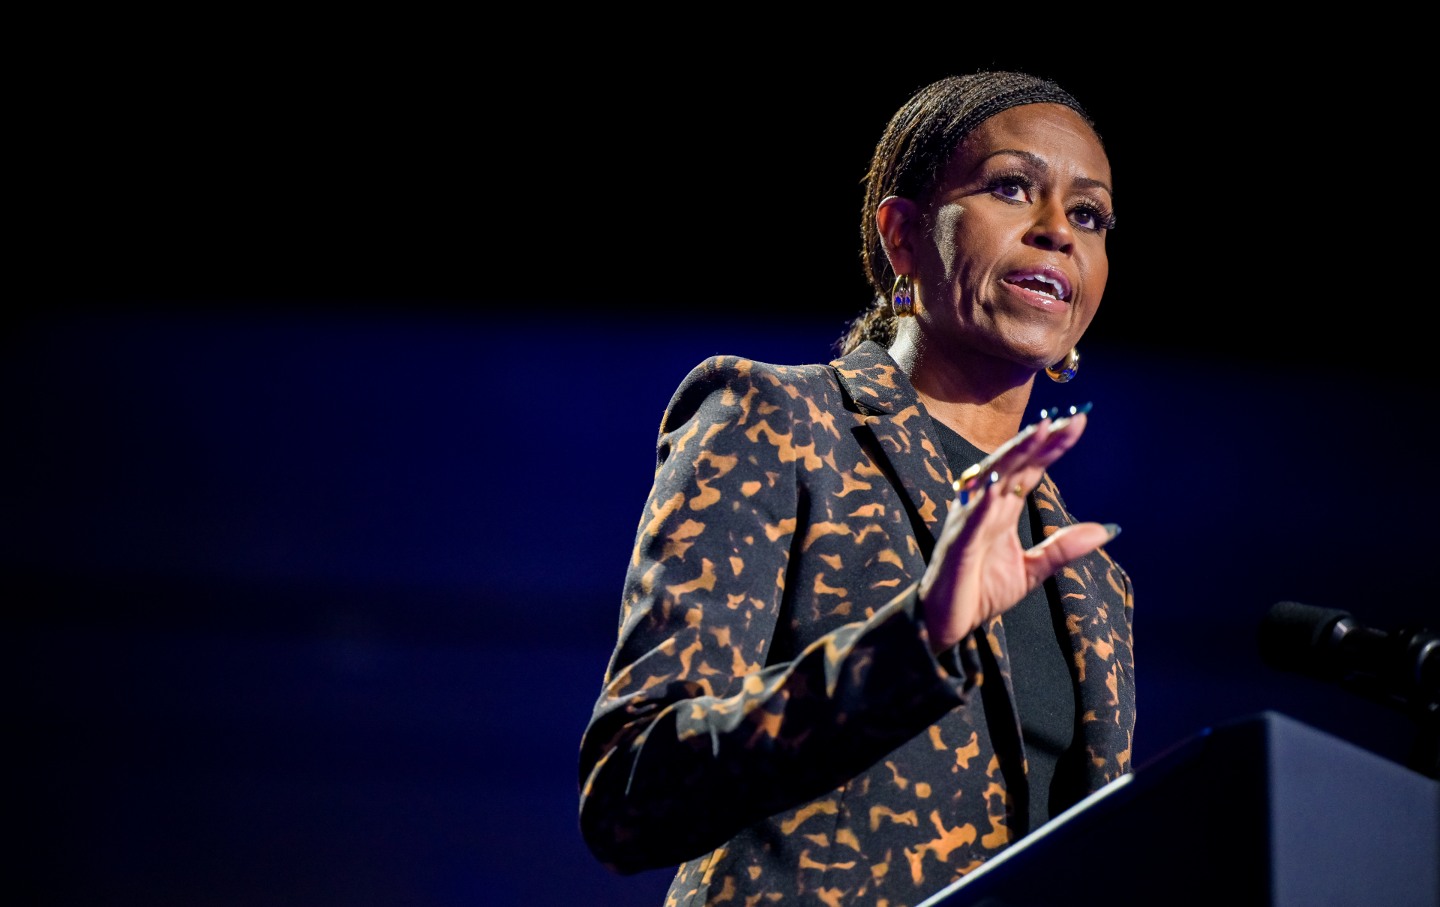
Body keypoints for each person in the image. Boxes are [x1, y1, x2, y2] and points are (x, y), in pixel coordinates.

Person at [577, 69, 1135, 906]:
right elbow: (632, 791)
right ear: (903, 237)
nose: (1057, 230)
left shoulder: (1093, 579)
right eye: (1013, 188)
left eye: (1088, 214)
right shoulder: (780, 422)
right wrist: (917, 640)